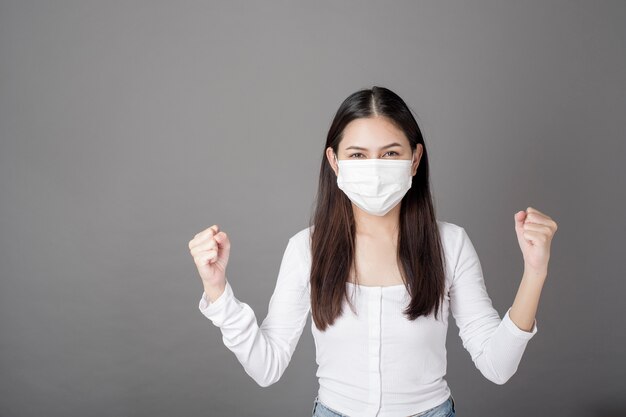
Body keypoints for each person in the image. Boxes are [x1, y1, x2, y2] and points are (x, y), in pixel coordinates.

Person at [188, 86, 558, 417]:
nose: (375, 168)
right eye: (358, 155)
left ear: (414, 159)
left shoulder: (450, 244)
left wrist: (535, 271)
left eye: (390, 152)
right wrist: (217, 291)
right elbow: (266, 366)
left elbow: (498, 365)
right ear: (335, 162)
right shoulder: (307, 249)